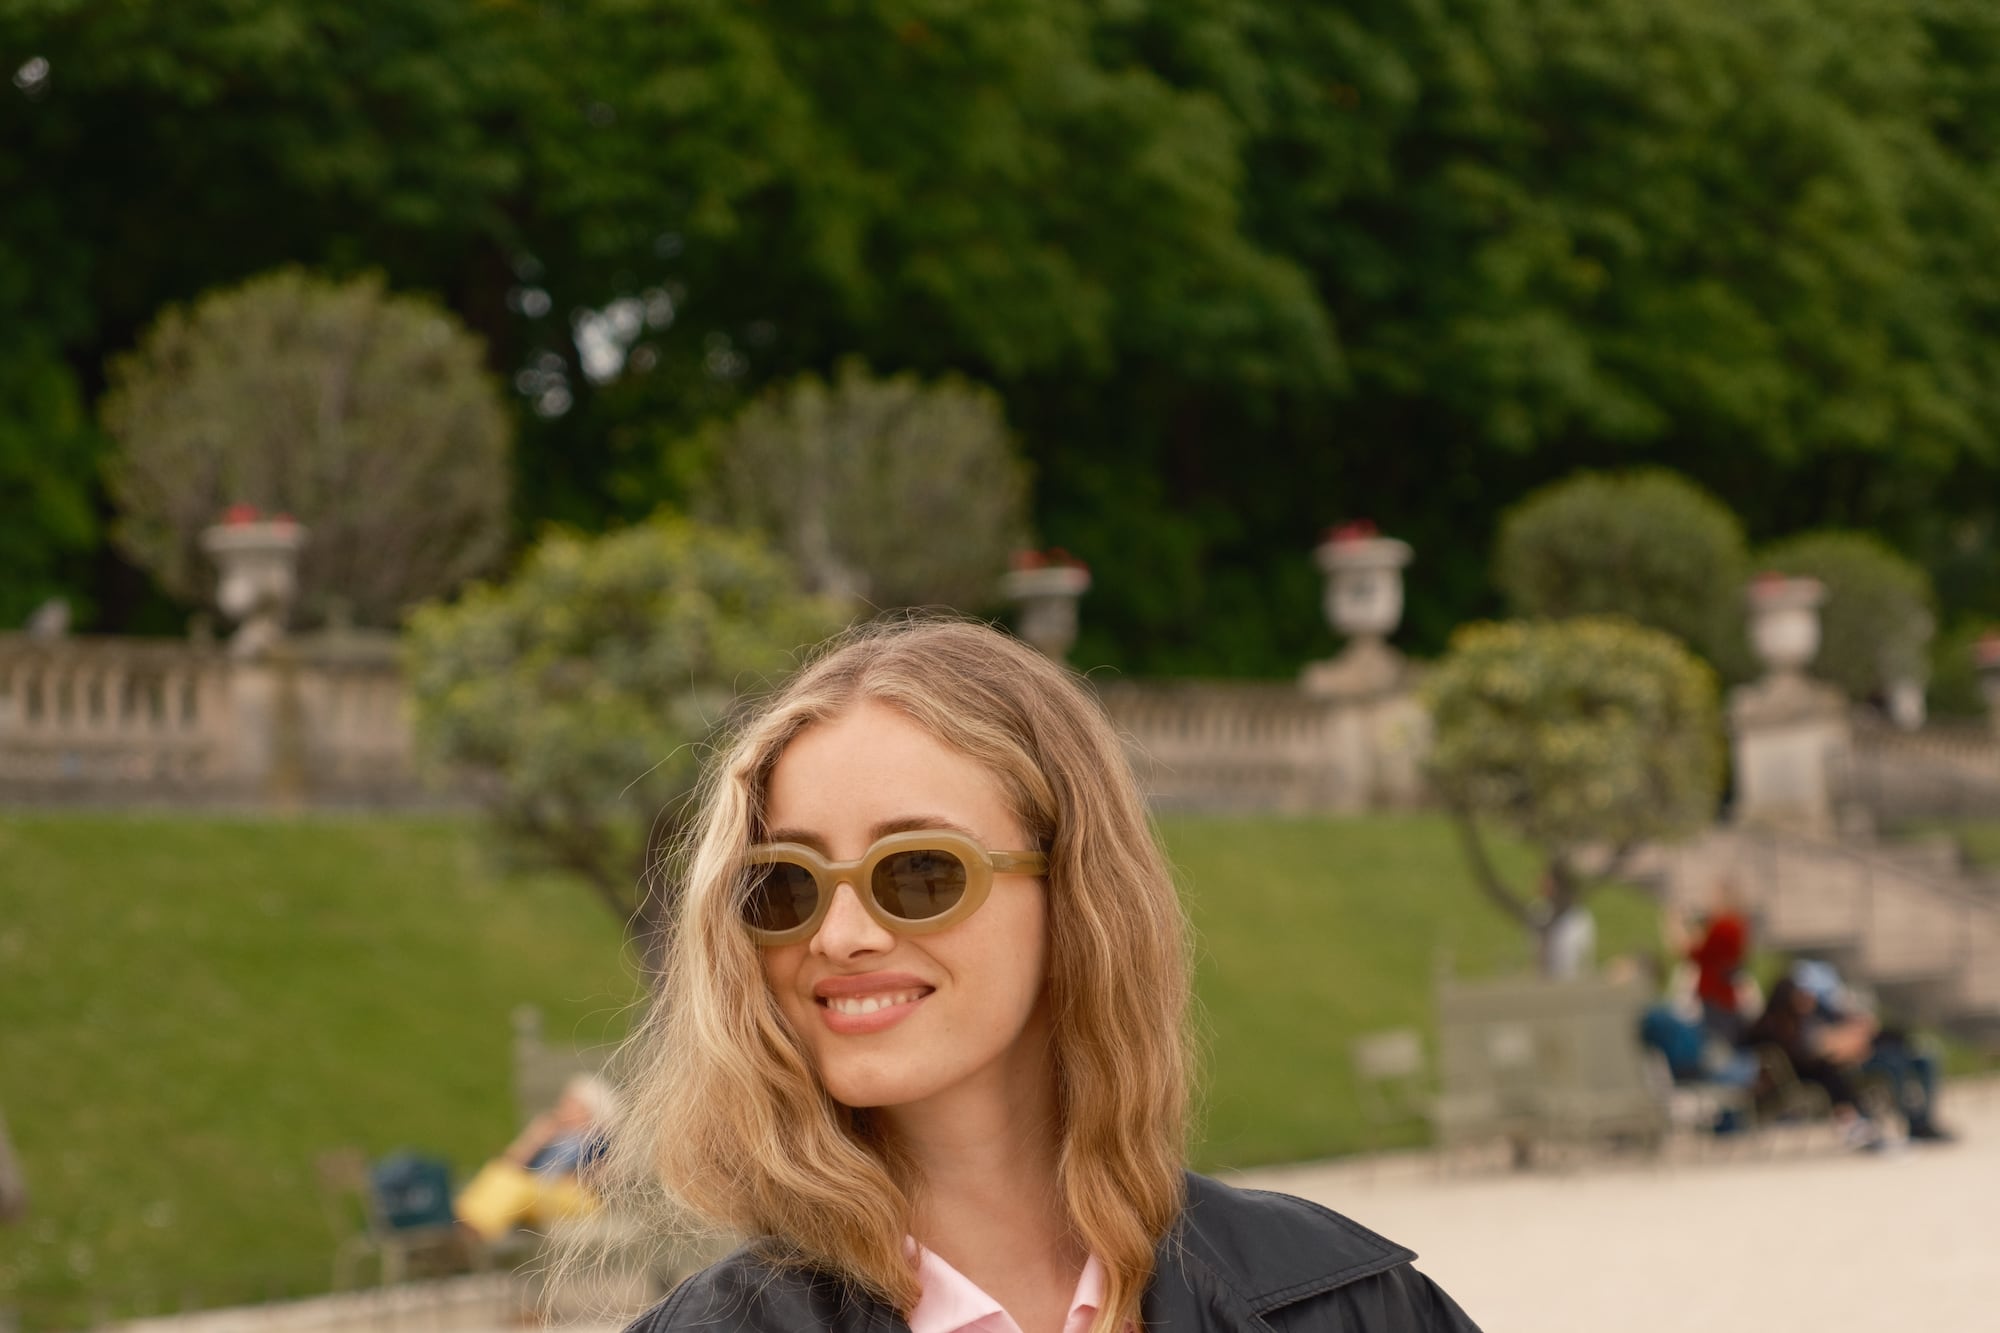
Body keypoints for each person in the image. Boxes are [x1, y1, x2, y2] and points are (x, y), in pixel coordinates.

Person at [604, 619, 1479, 1333]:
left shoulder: (1346, 1306)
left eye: (917, 871)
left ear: (1073, 890)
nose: (838, 935)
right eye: (784, 884)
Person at [455, 1074, 612, 1241]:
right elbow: (511, 1163)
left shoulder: (597, 1141)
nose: (562, 1107)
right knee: (500, 1172)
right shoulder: (553, 1137)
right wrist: (533, 1139)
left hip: (577, 1199)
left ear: (589, 1111)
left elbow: (602, 1179)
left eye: (572, 1104)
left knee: (516, 1187)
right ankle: (465, 1226)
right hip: (539, 1190)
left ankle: (473, 1236)